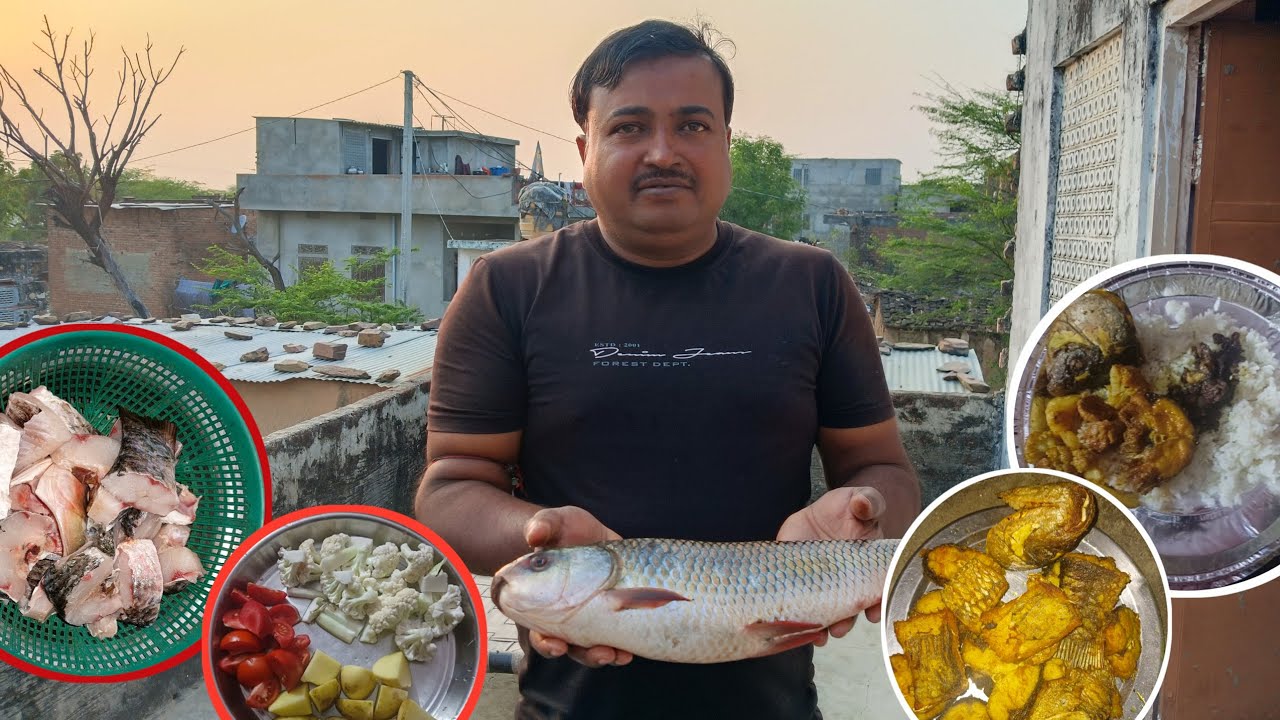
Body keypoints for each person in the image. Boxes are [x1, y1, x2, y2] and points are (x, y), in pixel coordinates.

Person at [417, 18, 921, 720]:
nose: (663, 152)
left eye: (692, 126)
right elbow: (451, 485)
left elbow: (883, 471)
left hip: (773, 701)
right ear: (585, 147)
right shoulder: (507, 288)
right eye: (629, 128)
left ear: (726, 144)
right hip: (568, 703)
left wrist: (862, 514)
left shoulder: (812, 283)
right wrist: (544, 539)